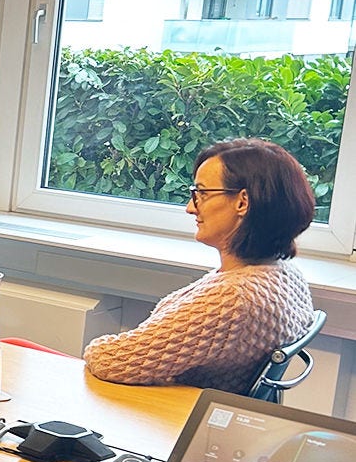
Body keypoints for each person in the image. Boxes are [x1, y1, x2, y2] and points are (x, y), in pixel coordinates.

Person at [84, 138, 316, 393]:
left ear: (242, 202)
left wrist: (95, 346)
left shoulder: (232, 298)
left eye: (201, 194)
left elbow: (111, 361)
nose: (190, 208)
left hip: (169, 420)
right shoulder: (285, 274)